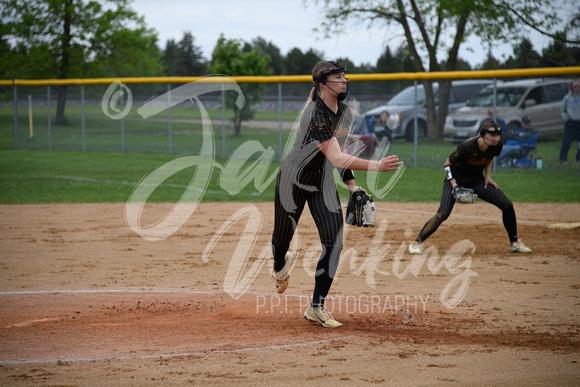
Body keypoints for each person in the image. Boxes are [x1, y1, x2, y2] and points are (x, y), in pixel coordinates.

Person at [271, 61, 402, 328]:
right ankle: (278, 264)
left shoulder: (344, 112)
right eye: (338, 77)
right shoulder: (314, 113)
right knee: (281, 240)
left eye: (344, 76)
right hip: (292, 181)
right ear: (323, 84)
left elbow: (337, 154)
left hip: (320, 183)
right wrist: (376, 166)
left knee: (334, 242)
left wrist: (353, 186)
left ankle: (316, 306)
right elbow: (337, 156)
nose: (345, 81)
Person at [408, 121, 532, 256]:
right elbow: (447, 164)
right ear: (483, 134)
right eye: (493, 135)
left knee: (507, 205)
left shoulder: (496, 145)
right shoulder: (467, 146)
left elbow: (490, 157)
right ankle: (416, 242)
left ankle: (514, 243)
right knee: (443, 214)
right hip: (455, 180)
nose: (496, 138)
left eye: (498, 135)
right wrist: (455, 186)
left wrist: (487, 176)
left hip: (476, 180)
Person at [558, 79, 580, 163]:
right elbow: (563, 110)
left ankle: (578, 158)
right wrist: (566, 118)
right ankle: (562, 159)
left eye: (578, 86)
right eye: (575, 86)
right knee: (566, 142)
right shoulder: (567, 97)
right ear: (572, 87)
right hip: (570, 122)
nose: (576, 87)